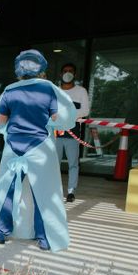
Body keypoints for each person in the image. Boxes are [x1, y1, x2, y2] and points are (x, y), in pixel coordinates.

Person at [0, 49, 77, 252]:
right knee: (44, 192)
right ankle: (45, 238)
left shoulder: (9, 90)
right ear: (42, 69)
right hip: (40, 147)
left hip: (13, 147)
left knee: (7, 190)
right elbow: (58, 119)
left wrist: (11, 129)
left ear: (18, 69)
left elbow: (0, 121)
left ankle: (0, 231)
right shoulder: (48, 89)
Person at [55, 63, 89, 203]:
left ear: (75, 74)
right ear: (61, 73)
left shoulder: (81, 91)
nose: (67, 73)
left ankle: (71, 191)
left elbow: (85, 111)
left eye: (70, 71)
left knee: (73, 164)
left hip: (73, 134)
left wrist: (68, 116)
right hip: (55, 134)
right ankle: (54, 190)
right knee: (53, 164)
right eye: (65, 71)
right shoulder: (55, 91)